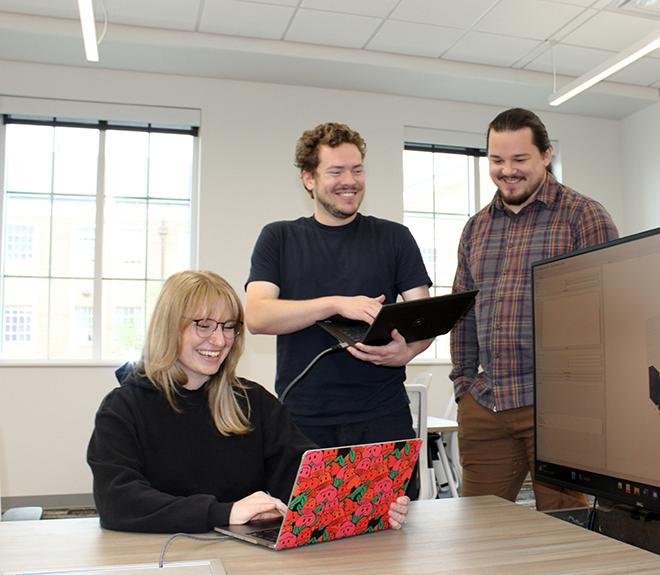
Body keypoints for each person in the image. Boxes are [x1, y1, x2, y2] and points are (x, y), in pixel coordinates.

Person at [87, 270, 410, 534]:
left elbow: (304, 478)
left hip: (241, 557)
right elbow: (118, 501)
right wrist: (223, 513)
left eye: (229, 327)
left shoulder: (252, 402)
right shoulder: (124, 408)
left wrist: (371, 504)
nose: (219, 340)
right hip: (153, 557)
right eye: (204, 325)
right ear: (169, 327)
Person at [450, 108, 619, 510]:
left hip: (557, 407)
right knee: (479, 533)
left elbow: (612, 314)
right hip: (486, 403)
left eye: (519, 159)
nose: (507, 170)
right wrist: (463, 386)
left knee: (566, 533)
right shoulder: (475, 228)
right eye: (496, 160)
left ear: (545, 155)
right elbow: (463, 313)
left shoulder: (584, 216)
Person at [245, 122, 432, 454]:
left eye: (357, 170)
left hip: (384, 415)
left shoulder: (395, 238)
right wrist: (336, 304)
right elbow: (258, 316)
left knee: (397, 509)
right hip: (304, 419)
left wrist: (410, 350)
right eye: (336, 171)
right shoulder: (279, 238)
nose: (350, 181)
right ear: (309, 178)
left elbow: (425, 318)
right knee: (307, 509)